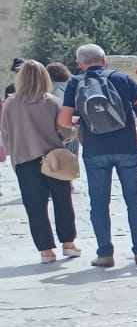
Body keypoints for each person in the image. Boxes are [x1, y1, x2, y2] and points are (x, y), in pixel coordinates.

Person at [59, 44, 137, 267]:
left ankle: (105, 254)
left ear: (79, 64)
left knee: (99, 203)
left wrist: (80, 122)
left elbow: (63, 121)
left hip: (95, 151)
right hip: (127, 148)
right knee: (134, 201)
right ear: (104, 60)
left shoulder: (75, 82)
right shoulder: (121, 78)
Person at [0, 60, 81, 262]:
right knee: (63, 201)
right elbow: (64, 132)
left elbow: (5, 133)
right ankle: (68, 243)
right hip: (54, 159)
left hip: (24, 160)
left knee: (35, 206)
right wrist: (75, 129)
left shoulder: (10, 103)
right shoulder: (52, 102)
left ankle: (46, 250)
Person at [46, 64, 79, 156]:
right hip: (70, 126)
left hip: (52, 130)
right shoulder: (72, 87)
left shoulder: (47, 90)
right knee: (70, 161)